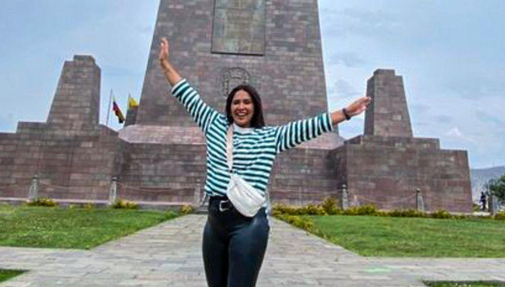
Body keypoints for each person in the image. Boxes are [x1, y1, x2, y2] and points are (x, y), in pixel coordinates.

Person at [158, 37, 371, 287]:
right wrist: (164, 64)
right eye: (236, 102)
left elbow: (309, 127)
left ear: (255, 107)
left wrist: (345, 113)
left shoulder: (271, 137)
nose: (241, 107)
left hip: (248, 224)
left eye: (246, 102)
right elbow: (187, 94)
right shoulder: (214, 125)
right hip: (214, 223)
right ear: (229, 107)